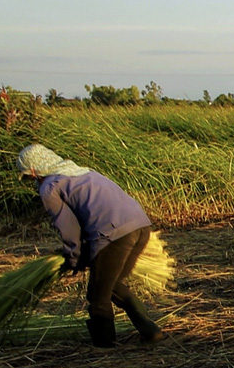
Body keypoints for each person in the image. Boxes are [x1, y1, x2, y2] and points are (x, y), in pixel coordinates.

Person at [16, 144, 161, 348]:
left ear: (33, 170)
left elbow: (68, 227)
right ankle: (151, 331)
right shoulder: (81, 171)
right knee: (112, 285)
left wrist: (73, 258)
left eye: (29, 176)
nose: (31, 180)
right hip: (141, 226)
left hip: (114, 234)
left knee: (97, 294)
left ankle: (105, 347)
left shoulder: (49, 187)